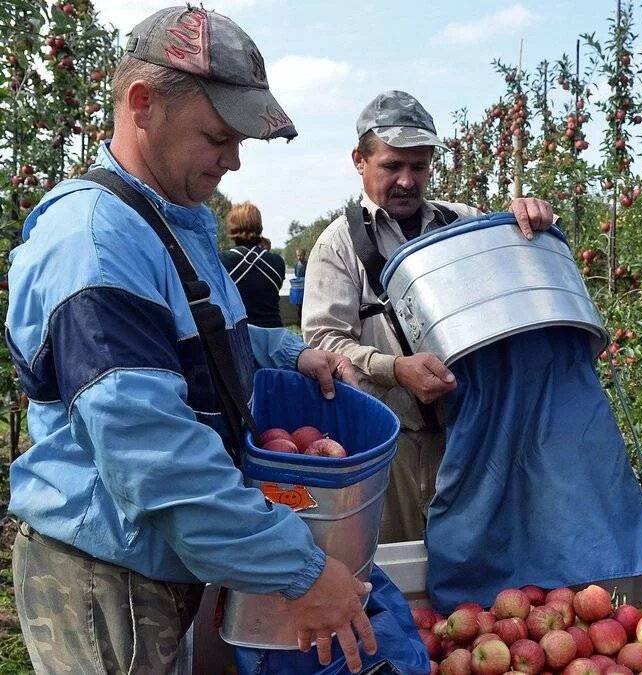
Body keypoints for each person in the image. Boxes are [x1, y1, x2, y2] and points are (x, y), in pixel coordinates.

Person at [6, 7, 375, 673]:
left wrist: (291, 351)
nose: (233, 160)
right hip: (105, 575)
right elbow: (154, 456)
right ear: (143, 104)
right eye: (217, 136)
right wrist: (301, 570)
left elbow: (200, 338)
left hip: (154, 561)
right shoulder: (97, 242)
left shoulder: (169, 221)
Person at [302, 90, 554, 543]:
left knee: (475, 574)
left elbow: (517, 260)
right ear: (359, 160)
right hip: (389, 443)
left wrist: (528, 217)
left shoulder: (462, 226)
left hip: (469, 438)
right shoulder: (338, 246)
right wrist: (394, 369)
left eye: (418, 166)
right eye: (392, 166)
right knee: (396, 566)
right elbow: (324, 343)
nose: (406, 180)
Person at [220, 201, 287, 327]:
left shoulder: (221, 261)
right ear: (259, 226)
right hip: (273, 335)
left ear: (232, 226)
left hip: (240, 336)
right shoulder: (277, 262)